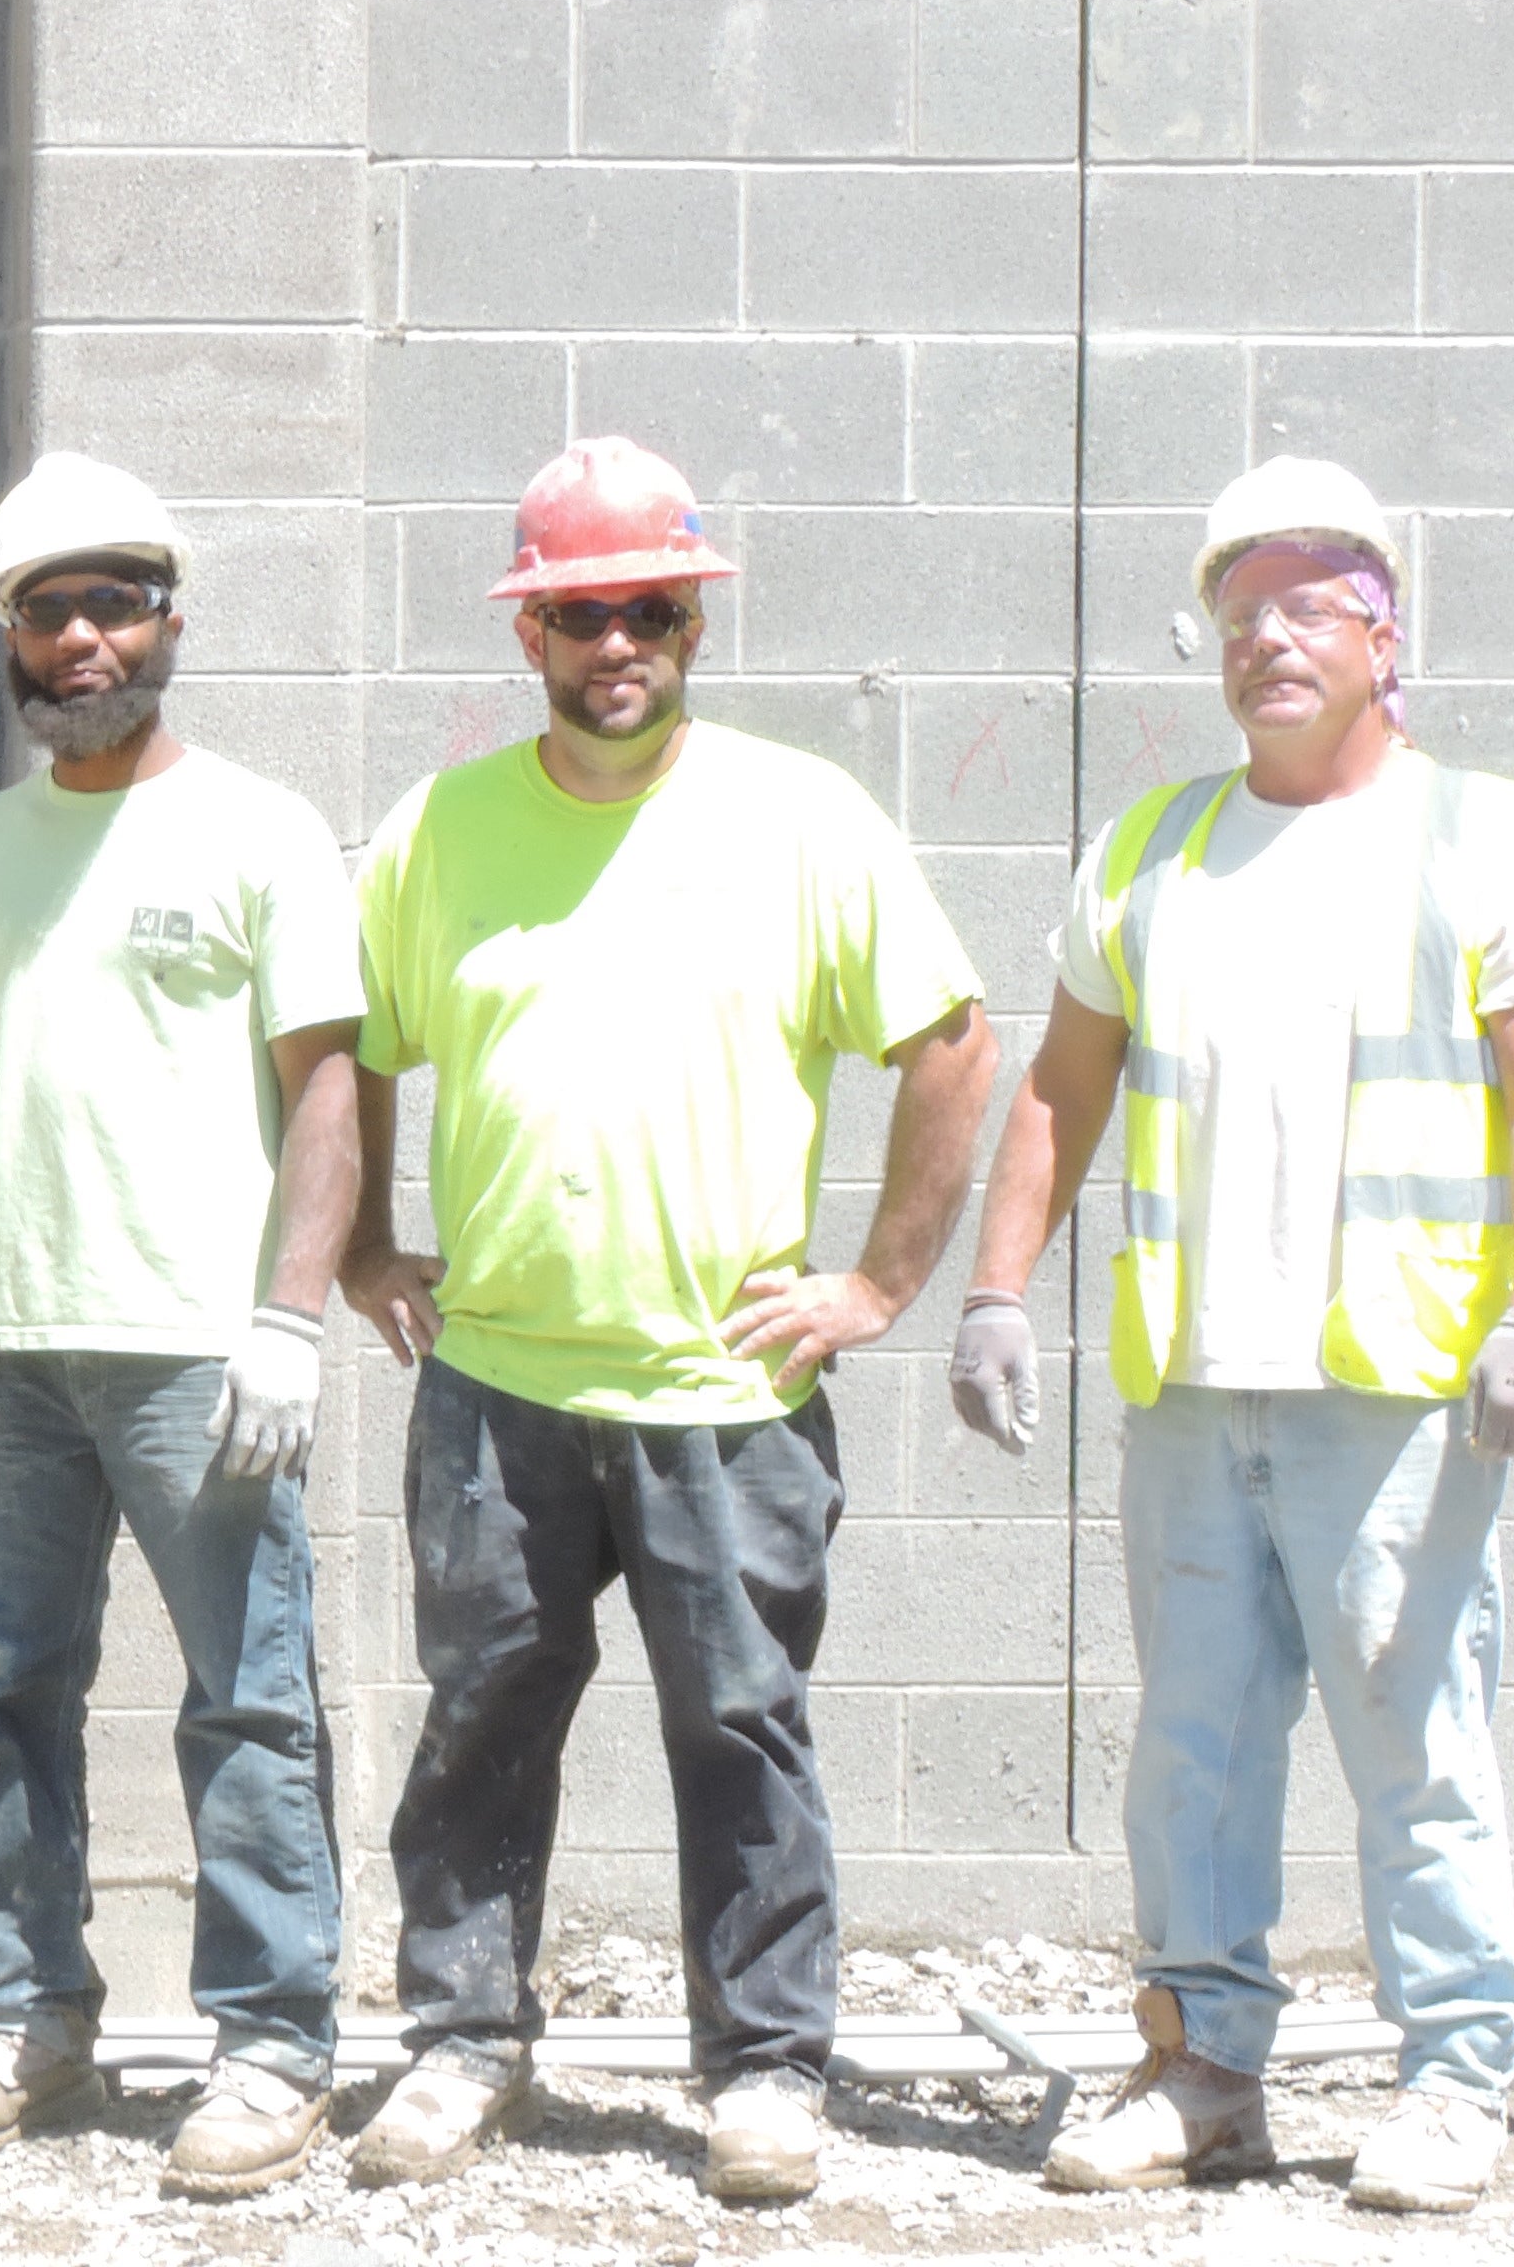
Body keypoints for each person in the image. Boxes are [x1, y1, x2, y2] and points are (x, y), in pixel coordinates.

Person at [340, 437, 996, 2206]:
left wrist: (875, 1287)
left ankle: (766, 2070)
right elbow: (350, 1046)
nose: (611, 640)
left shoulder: (800, 817)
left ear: (691, 622)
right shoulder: (440, 829)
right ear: (529, 637)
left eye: (643, 608)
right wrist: (361, 1253)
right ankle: (461, 2043)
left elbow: (952, 1040)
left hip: (726, 1389)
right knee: (480, 1724)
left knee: (741, 1727)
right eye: (576, 613)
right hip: (495, 1388)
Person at [961, 459, 1514, 2219]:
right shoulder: (1155, 849)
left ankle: (1458, 2079)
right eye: (1239, 615)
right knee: (1195, 1745)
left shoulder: (1484, 838)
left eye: (1308, 605)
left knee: (1418, 1740)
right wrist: (999, 1285)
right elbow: (1057, 1090)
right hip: (1191, 1385)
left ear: (1387, 636)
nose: (1266, 640)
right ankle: (1203, 2069)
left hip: (1396, 1392)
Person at [0, 453, 363, 2196]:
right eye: (46, 610)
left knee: (248, 1702)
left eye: (110, 604)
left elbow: (329, 1093)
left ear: (167, 621)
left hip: (195, 1357)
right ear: (12, 640)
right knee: (11, 1695)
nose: (80, 638)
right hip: (7, 1355)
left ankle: (273, 2047)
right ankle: (32, 2021)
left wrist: (292, 1318)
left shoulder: (262, 830)